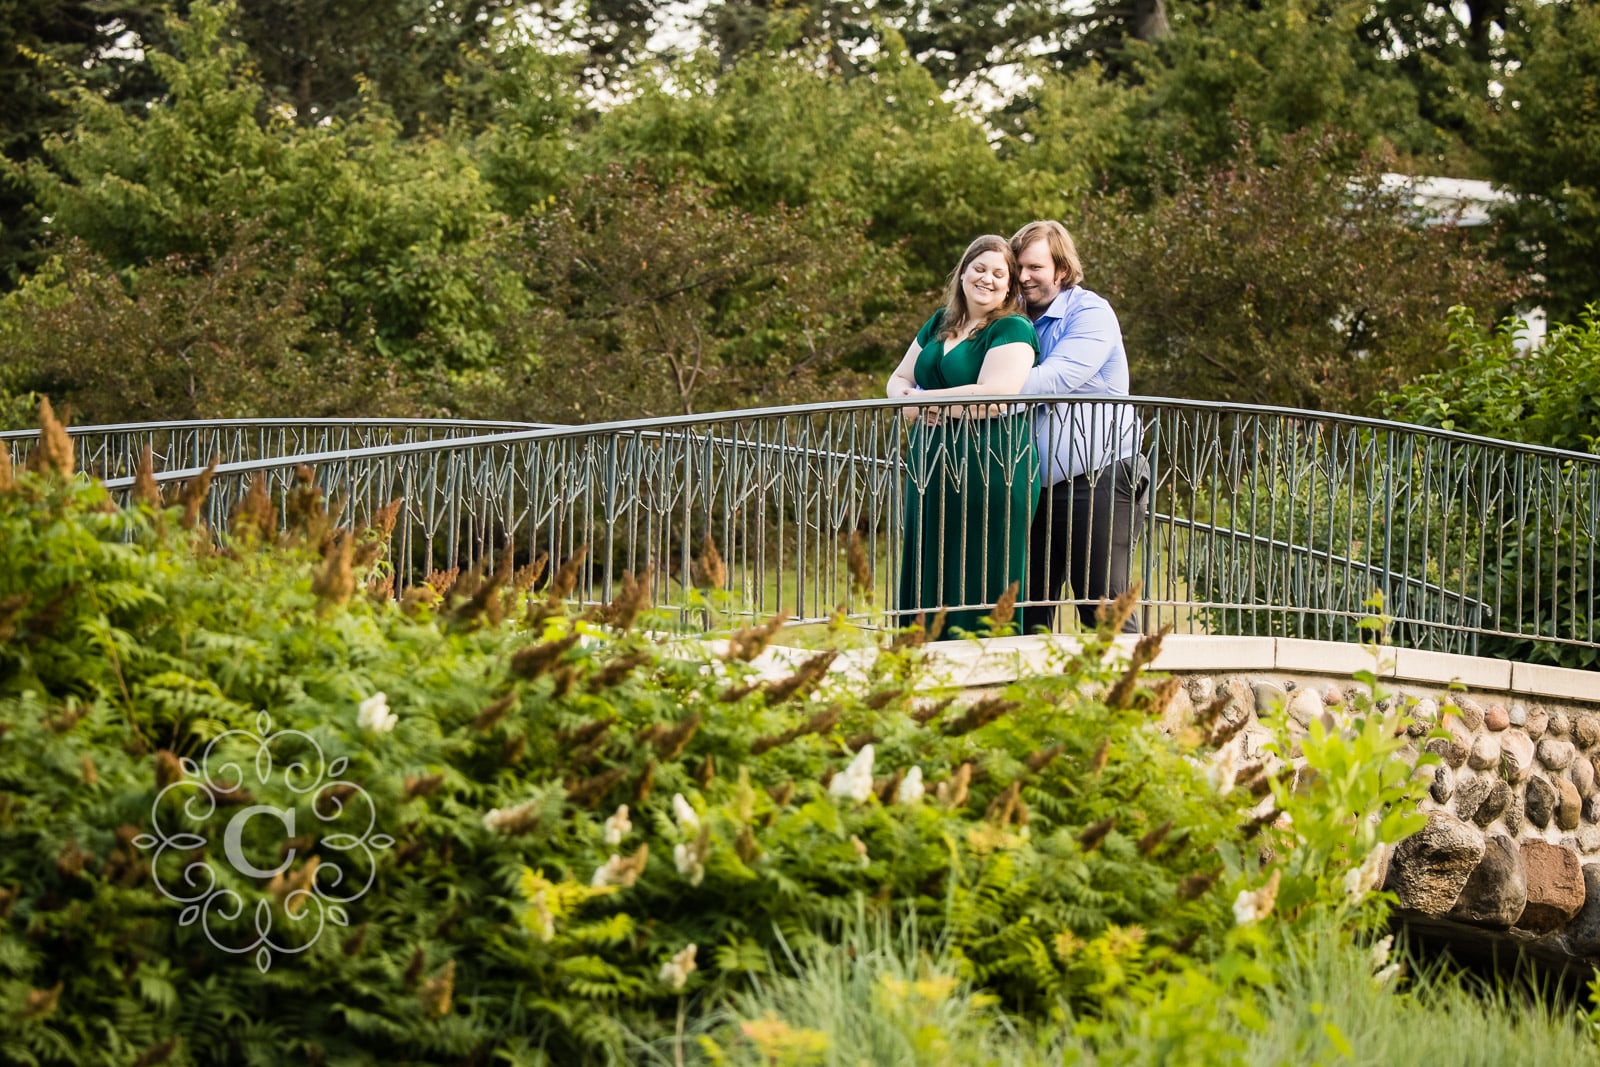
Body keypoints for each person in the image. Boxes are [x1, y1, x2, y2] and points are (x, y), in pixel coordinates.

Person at [886, 235, 1041, 636]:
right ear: (963, 272)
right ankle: (923, 652)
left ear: (1009, 285)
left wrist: (922, 402)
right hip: (932, 460)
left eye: (998, 273)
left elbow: (996, 397)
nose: (986, 279)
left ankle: (987, 658)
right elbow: (898, 380)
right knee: (929, 557)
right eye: (979, 268)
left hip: (991, 462)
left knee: (982, 562)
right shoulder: (940, 322)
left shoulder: (1012, 328)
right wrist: (912, 401)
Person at [1008, 220, 1147, 635]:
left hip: (1099, 472)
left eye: (1034, 267)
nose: (1022, 277)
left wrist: (976, 392)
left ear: (1061, 271)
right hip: (1034, 482)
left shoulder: (1090, 313)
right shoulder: (1013, 320)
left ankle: (1130, 695)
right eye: (1018, 266)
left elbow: (1054, 380)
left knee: (1102, 604)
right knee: (1026, 608)